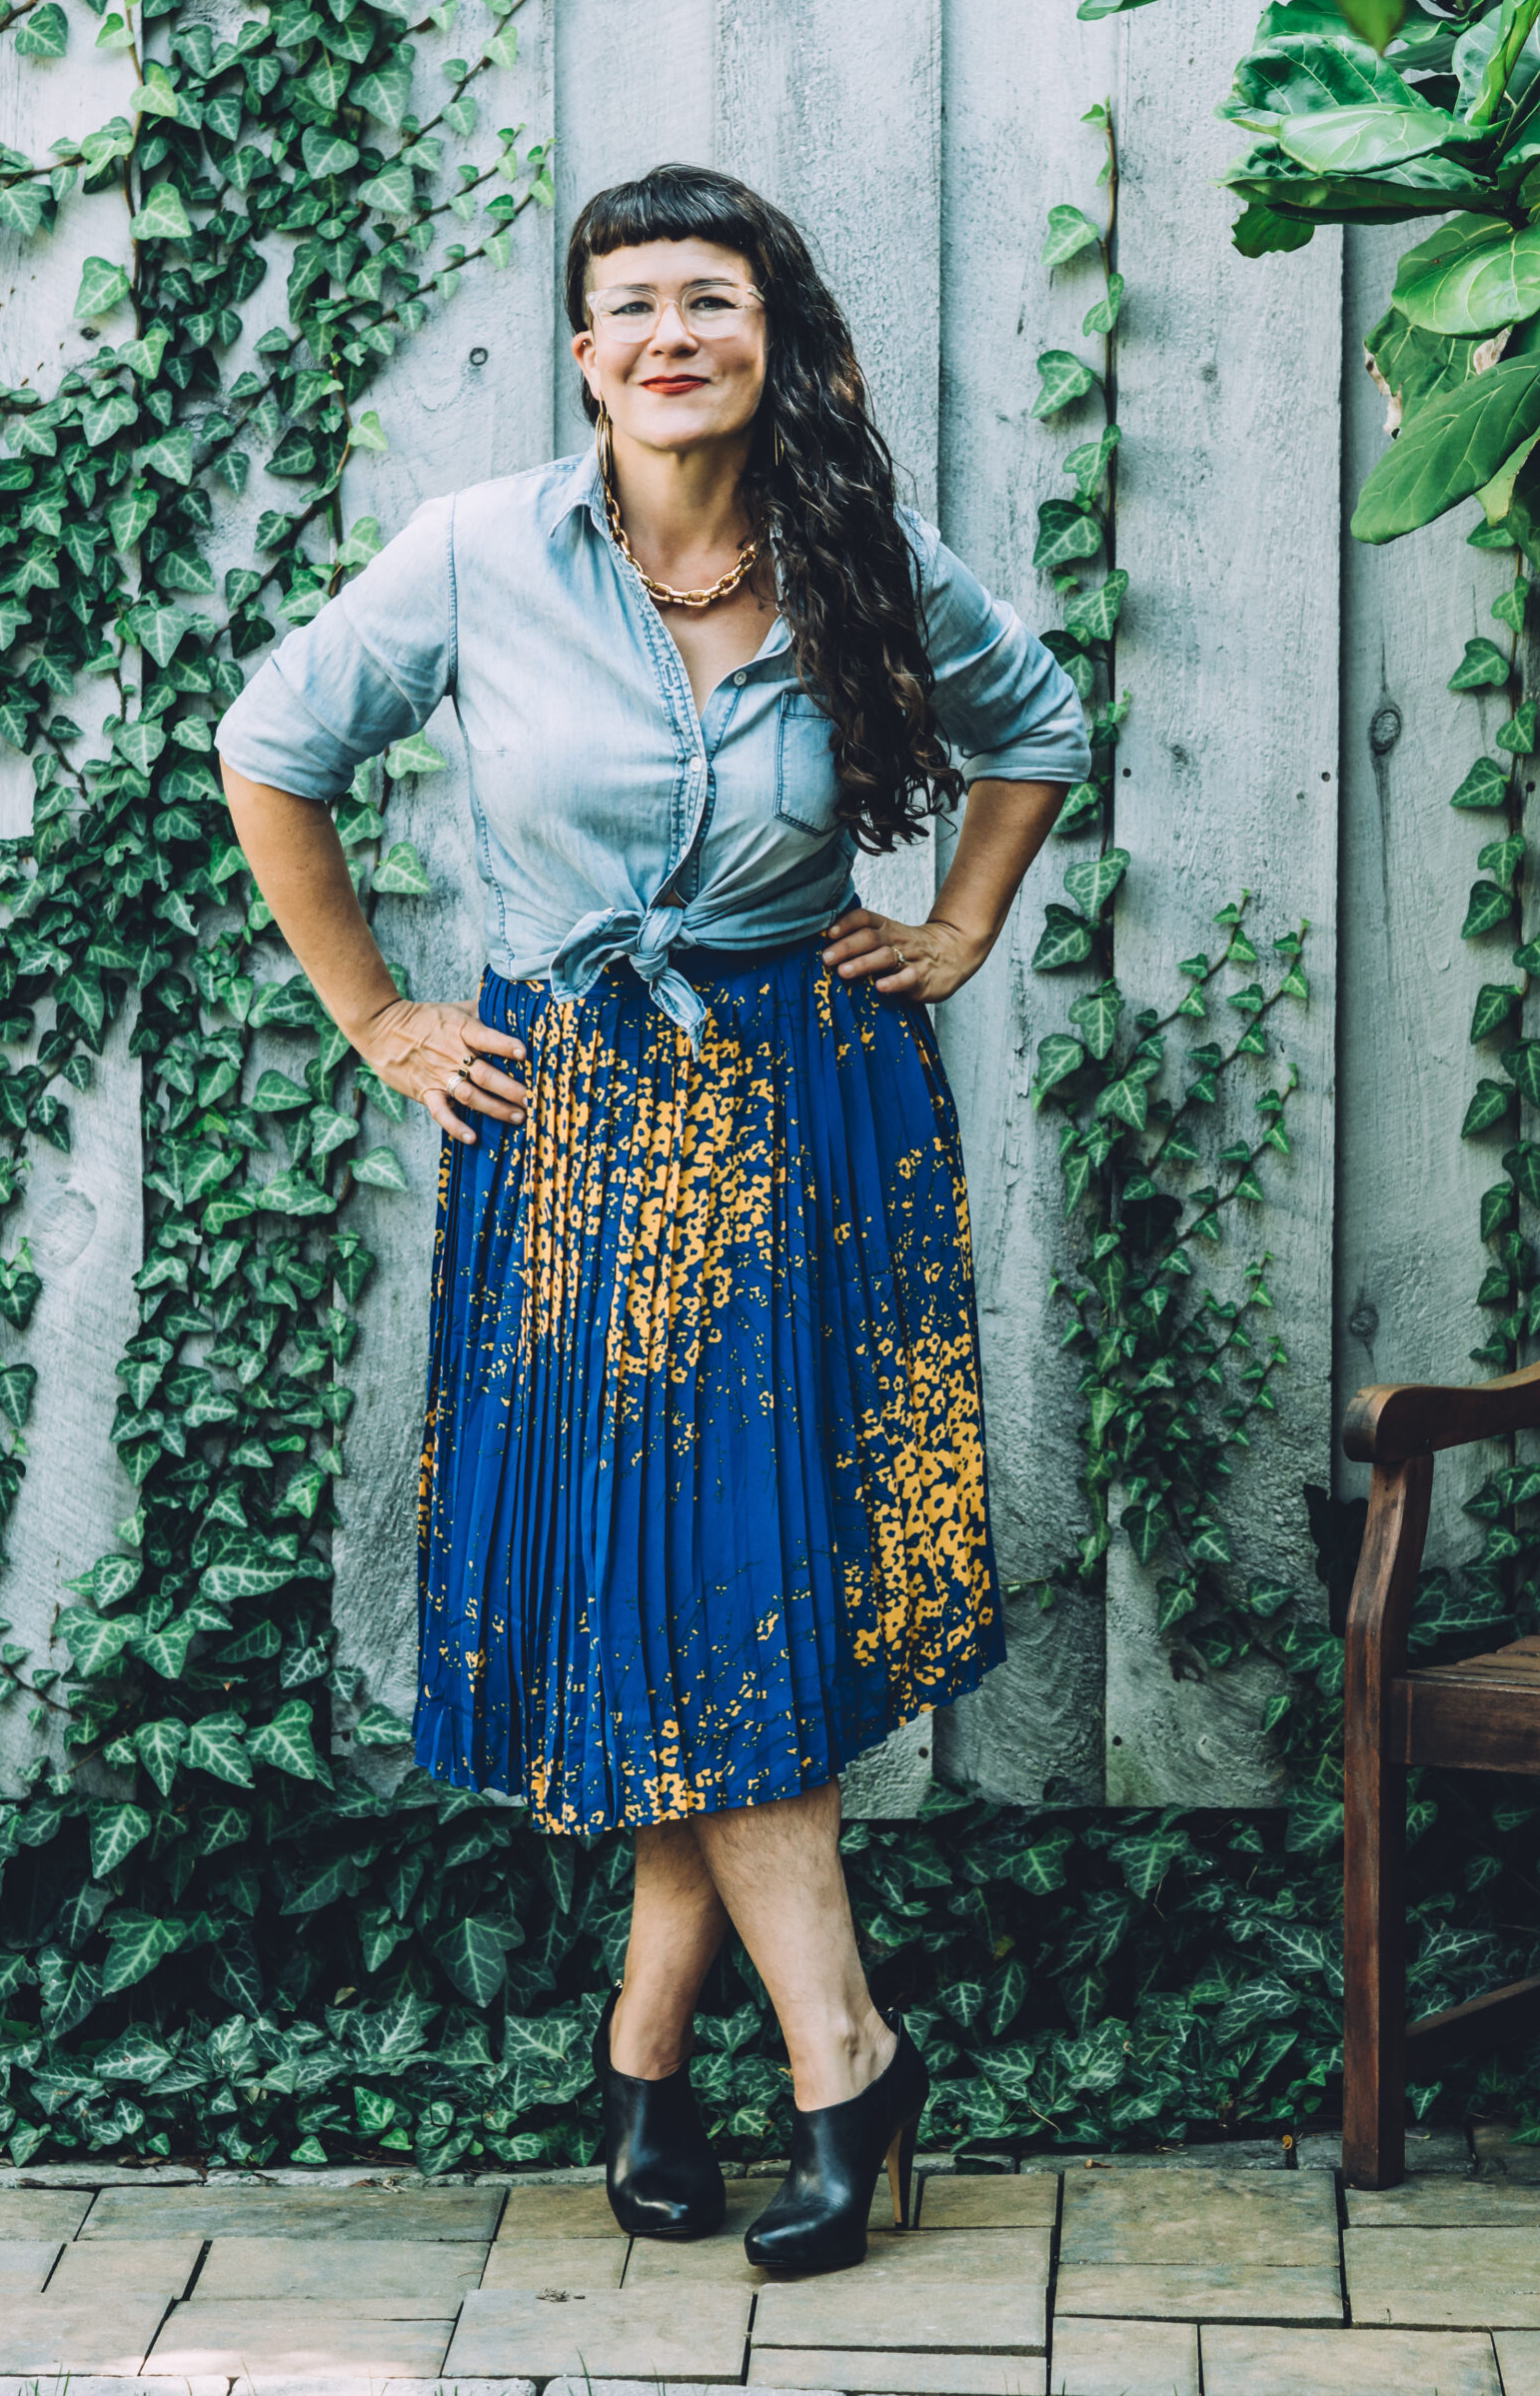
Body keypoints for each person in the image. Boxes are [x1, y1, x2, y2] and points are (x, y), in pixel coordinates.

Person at [217, 163, 1087, 2274]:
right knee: (672, 1589)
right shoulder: (476, 557)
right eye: (630, 305)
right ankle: (830, 2056)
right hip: (577, 1116)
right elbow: (271, 746)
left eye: (711, 297)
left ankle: (696, 2051)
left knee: (715, 1583)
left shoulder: (852, 558)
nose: (670, 333)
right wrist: (383, 1016)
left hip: (806, 1109)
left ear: (767, 329)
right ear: (584, 352)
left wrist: (958, 923)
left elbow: (1035, 723)